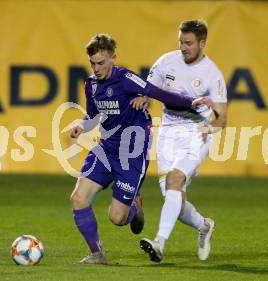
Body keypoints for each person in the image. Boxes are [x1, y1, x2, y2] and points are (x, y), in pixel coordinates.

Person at [69, 33, 213, 264]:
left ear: (113, 58)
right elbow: (92, 116)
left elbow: (158, 93)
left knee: (116, 218)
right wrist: (81, 125)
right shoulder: (91, 85)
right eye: (92, 63)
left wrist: (190, 102)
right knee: (78, 199)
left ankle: (134, 206)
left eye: (101, 63)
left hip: (132, 154)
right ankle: (98, 254)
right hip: (106, 149)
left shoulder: (125, 78)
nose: (96, 68)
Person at [137, 19, 228, 262]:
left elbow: (222, 119)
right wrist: (144, 99)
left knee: (175, 180)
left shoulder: (212, 75)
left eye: (188, 43)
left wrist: (211, 127)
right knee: (173, 197)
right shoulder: (166, 62)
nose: (183, 47)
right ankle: (204, 225)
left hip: (196, 133)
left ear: (202, 43)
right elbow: (148, 91)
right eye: (181, 42)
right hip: (168, 131)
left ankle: (159, 243)